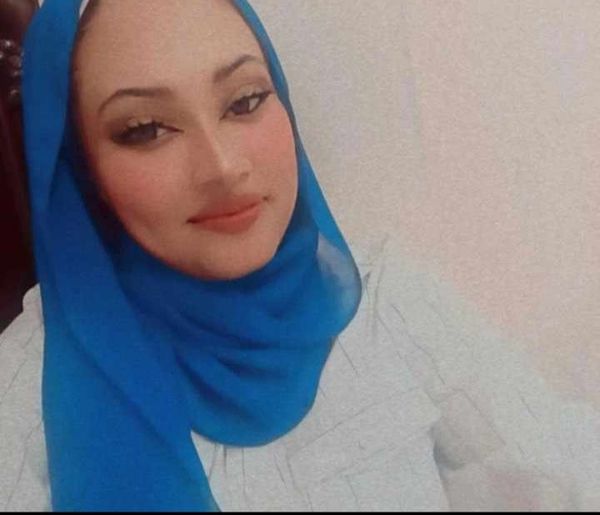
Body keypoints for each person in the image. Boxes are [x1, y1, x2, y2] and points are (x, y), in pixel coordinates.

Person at [2, 0, 600, 512]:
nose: (223, 167)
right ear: (81, 170)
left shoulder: (387, 304)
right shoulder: (27, 393)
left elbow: (565, 469)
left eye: (244, 101)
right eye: (145, 129)